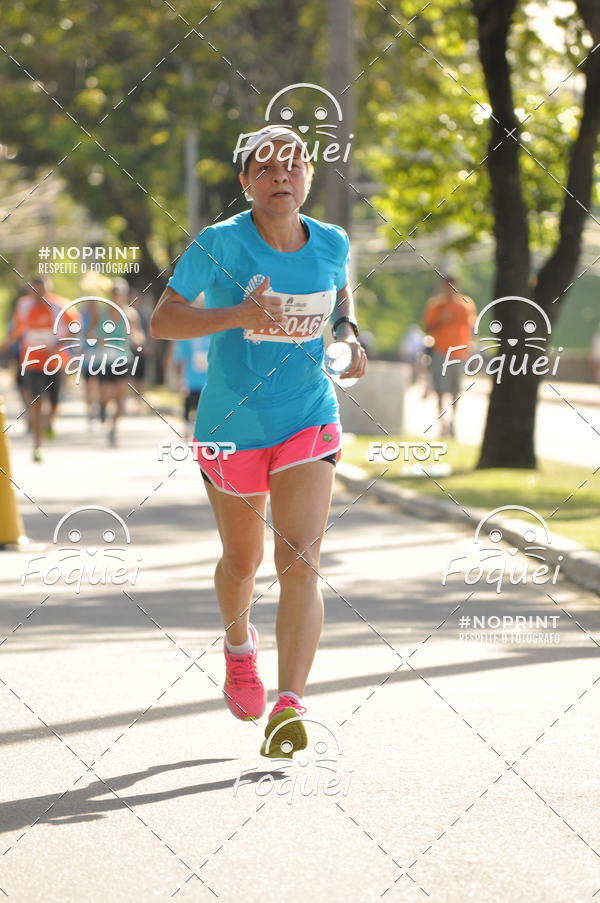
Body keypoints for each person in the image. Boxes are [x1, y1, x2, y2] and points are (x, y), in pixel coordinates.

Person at [151, 125, 367, 759]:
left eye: (293, 165)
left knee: (300, 555)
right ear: (245, 181)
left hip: (308, 416)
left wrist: (350, 339)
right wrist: (238, 316)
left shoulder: (331, 240)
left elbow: (340, 301)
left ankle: (290, 703)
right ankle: (238, 648)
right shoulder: (219, 244)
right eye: (266, 168)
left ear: (307, 176)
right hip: (231, 426)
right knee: (242, 564)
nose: (282, 176)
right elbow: (164, 318)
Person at [0, 278, 76, 461]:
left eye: (41, 292)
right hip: (31, 362)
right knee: (36, 403)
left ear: (48, 291)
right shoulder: (24, 306)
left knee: (55, 404)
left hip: (55, 362)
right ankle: (37, 445)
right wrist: (5, 345)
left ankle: (49, 422)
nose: (37, 296)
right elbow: (17, 330)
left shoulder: (61, 306)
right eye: (34, 292)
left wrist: (57, 344)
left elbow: (75, 328)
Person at [88, 279, 145, 446]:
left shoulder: (130, 314)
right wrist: (100, 338)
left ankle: (113, 428)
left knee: (121, 398)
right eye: (115, 294)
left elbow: (137, 334)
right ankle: (102, 407)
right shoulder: (101, 313)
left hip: (123, 358)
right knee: (106, 394)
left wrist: (137, 339)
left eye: (120, 294)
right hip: (104, 359)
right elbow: (90, 333)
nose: (117, 297)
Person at [422, 276, 476, 436]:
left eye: (453, 285)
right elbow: (427, 327)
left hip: (459, 353)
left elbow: (471, 327)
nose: (450, 289)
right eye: (447, 286)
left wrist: (470, 349)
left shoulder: (466, 304)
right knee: (440, 389)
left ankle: (452, 422)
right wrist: (441, 320)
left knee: (455, 391)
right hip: (441, 352)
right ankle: (442, 423)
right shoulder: (436, 305)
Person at [172, 333, 211, 439]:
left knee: (205, 410)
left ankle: (203, 431)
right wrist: (180, 379)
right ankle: (187, 428)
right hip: (191, 381)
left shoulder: (215, 335)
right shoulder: (188, 336)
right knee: (189, 406)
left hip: (209, 382)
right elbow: (179, 359)